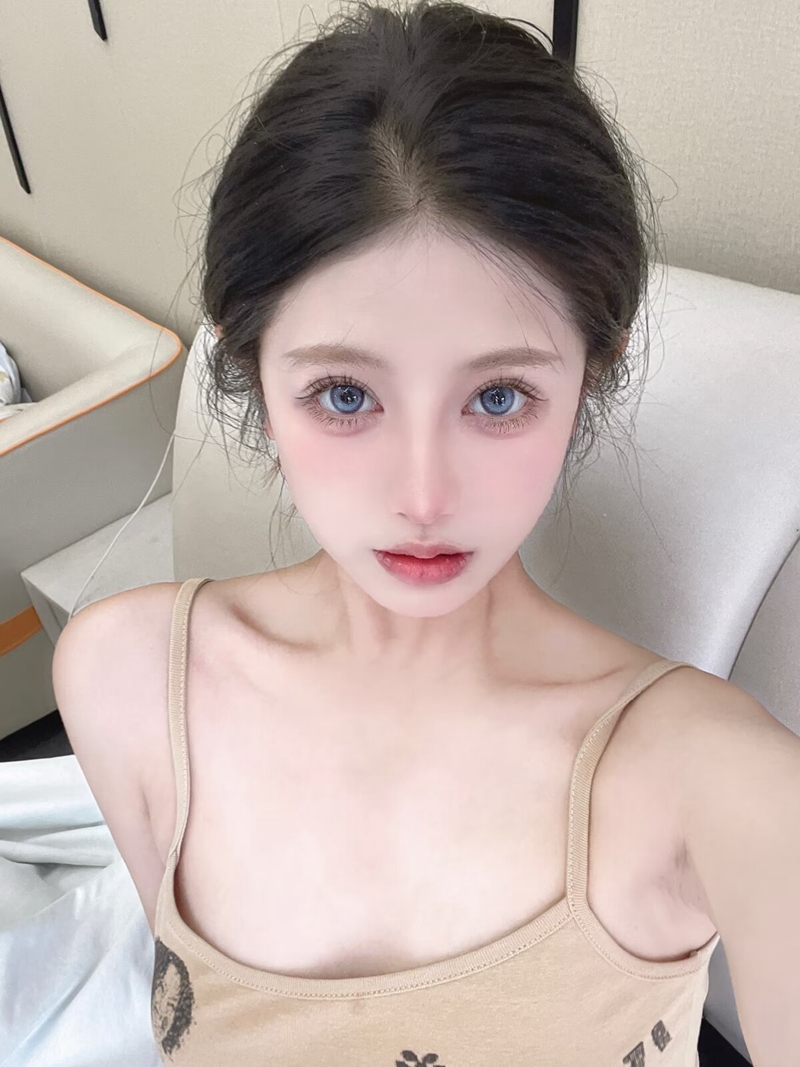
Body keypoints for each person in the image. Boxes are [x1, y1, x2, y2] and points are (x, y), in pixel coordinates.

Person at [54, 1, 727, 1062]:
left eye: (497, 397)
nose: (422, 496)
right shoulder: (121, 678)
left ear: (590, 374)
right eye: (344, 394)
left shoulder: (710, 774)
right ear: (249, 368)